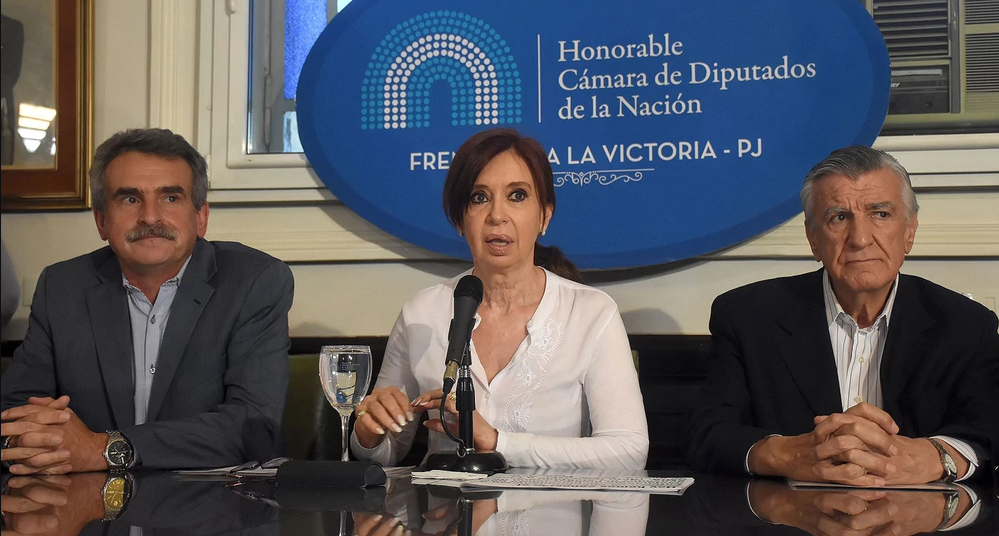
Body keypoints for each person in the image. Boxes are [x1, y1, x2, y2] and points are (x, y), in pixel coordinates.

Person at [688, 145, 999, 485]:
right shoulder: (747, 317)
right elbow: (708, 436)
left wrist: (938, 457)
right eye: (838, 217)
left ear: (909, 231)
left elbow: (989, 434)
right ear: (813, 239)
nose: (860, 239)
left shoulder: (965, 325)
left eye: (880, 214)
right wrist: (787, 454)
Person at [349, 128, 648, 469]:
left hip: (553, 505)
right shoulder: (422, 312)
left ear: (545, 215)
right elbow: (389, 451)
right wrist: (369, 432)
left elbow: (629, 450)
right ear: (460, 219)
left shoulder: (591, 313)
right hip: (443, 504)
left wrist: (497, 442)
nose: (497, 215)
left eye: (517, 196)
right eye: (479, 197)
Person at [0, 128, 293, 473]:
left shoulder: (254, 282)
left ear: (200, 217)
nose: (150, 217)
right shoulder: (62, 287)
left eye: (170, 198)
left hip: (210, 502)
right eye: (130, 199)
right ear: (101, 221)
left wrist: (103, 448)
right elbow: (14, 412)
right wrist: (26, 440)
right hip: (84, 502)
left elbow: (252, 426)